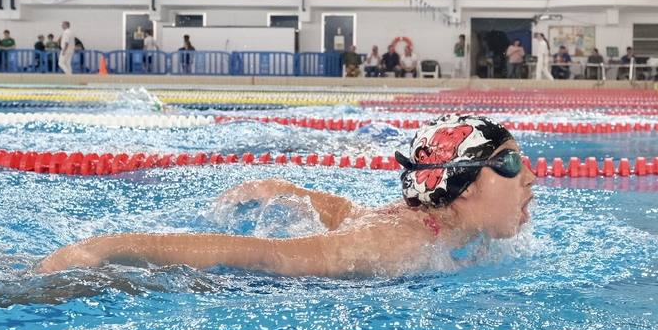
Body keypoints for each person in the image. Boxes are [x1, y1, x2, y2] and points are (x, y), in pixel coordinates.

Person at [37, 115, 535, 277]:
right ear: (462, 186)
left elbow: (352, 212)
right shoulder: (399, 247)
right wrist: (109, 246)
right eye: (510, 163)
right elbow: (260, 254)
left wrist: (294, 192)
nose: (531, 177)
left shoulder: (430, 230)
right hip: (221, 292)